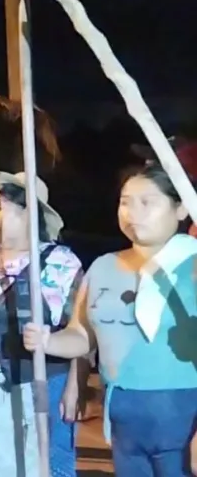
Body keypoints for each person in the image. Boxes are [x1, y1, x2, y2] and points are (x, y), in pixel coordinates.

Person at [24, 164, 197, 476]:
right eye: (125, 201)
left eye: (148, 202)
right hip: (123, 417)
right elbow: (81, 335)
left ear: (182, 207)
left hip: (183, 418)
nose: (133, 212)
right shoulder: (103, 267)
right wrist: (48, 340)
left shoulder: (193, 268)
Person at [0, 172, 84, 477]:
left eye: (3, 208)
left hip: (39, 382)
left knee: (44, 464)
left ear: (29, 214)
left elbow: (81, 329)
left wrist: (74, 387)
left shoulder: (60, 262)